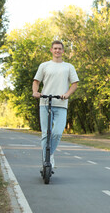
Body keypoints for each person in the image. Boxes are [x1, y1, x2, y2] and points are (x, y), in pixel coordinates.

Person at [32, 40, 79, 168]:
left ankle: (50, 154)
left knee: (57, 132)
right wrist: (35, 92)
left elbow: (74, 84)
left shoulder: (69, 67)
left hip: (61, 104)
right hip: (45, 103)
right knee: (45, 134)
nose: (57, 51)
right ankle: (46, 160)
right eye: (55, 48)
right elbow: (36, 81)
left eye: (60, 49)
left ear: (63, 51)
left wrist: (67, 94)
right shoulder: (44, 65)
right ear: (51, 50)